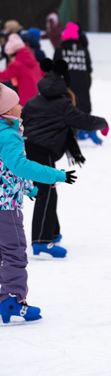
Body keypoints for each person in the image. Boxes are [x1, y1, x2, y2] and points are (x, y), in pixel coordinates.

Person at [0, 83, 76, 324]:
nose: (21, 106)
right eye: (16, 103)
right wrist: (56, 175)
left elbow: (6, 171)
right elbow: (20, 166)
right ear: (6, 111)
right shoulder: (8, 135)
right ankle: (12, 300)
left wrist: (28, 188)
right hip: (6, 208)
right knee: (14, 253)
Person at [22, 58, 108, 258]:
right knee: (47, 193)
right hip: (43, 151)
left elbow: (22, 122)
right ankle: (41, 241)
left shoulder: (33, 102)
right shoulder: (63, 105)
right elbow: (84, 120)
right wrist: (103, 123)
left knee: (48, 191)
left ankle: (52, 231)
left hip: (29, 148)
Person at [54, 22, 100, 145]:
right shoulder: (83, 49)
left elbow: (55, 68)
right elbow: (89, 68)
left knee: (68, 106)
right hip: (83, 81)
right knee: (84, 105)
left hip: (67, 83)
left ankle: (71, 131)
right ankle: (87, 129)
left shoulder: (60, 49)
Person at [0, 33, 42, 106]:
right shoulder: (31, 58)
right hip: (37, 95)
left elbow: (4, 76)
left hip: (25, 98)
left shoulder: (17, 64)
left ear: (13, 53)